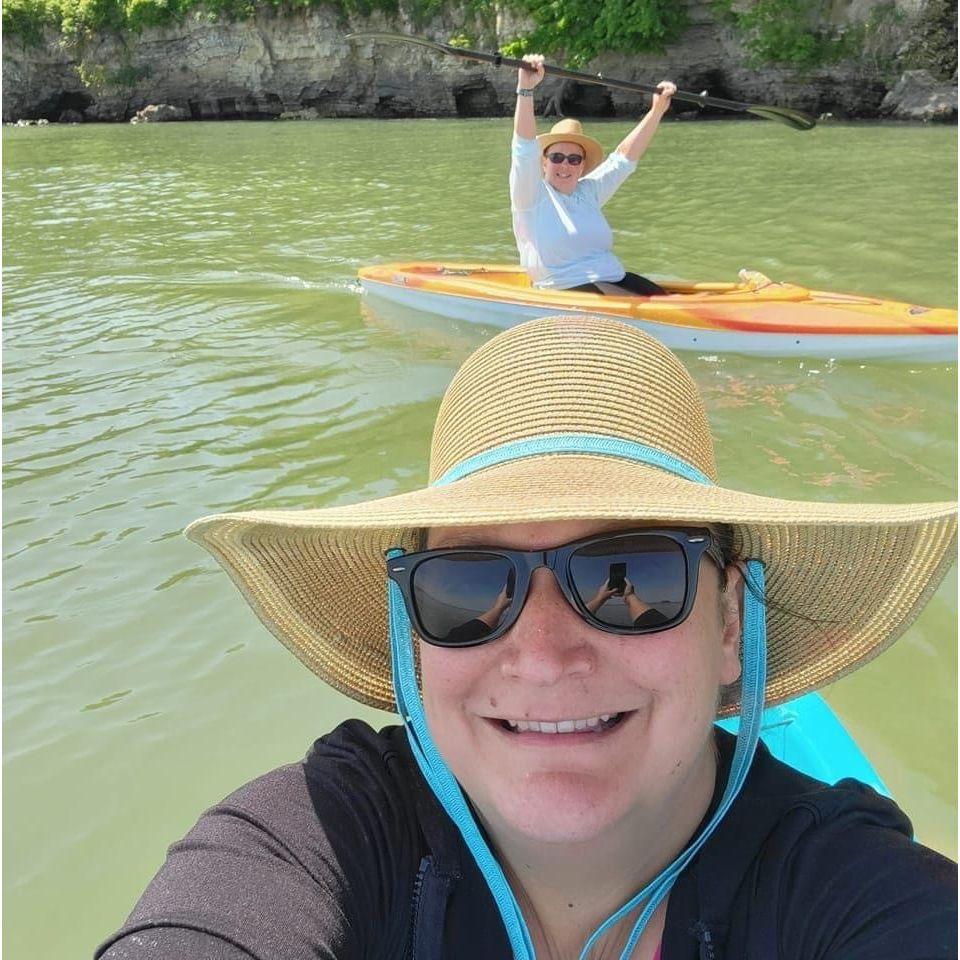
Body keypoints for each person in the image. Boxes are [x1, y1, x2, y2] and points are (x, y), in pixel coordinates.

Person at [96, 316, 957, 960]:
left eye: (627, 580)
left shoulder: (844, 887)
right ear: (413, 635)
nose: (544, 658)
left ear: (729, 622)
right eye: (469, 588)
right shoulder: (328, 837)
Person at [511, 53, 676, 297]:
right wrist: (525, 89)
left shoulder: (588, 192)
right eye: (556, 157)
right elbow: (523, 149)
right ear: (544, 162)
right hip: (562, 287)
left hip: (613, 277)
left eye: (573, 159)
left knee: (670, 299)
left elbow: (623, 160)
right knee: (661, 307)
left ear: (582, 165)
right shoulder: (530, 194)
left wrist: (657, 110)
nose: (564, 165)